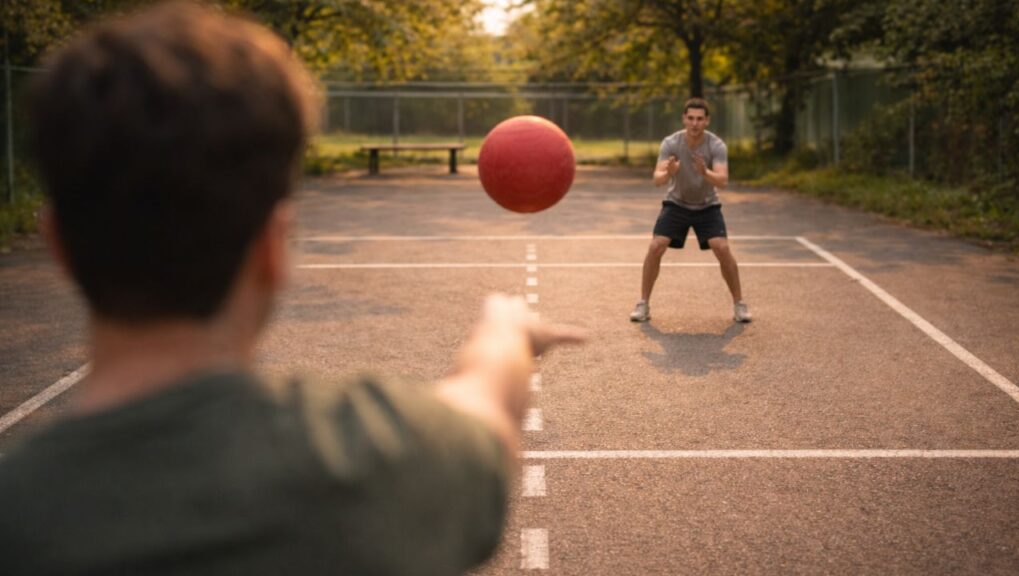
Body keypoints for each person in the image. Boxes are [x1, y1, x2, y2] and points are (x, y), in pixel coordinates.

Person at [0, 3, 583, 575]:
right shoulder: (383, 460)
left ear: (59, 246)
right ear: (273, 248)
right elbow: (486, 404)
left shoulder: (19, 513)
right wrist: (507, 332)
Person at [629, 98, 752, 324]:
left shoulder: (716, 145)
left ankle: (739, 304)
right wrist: (670, 172)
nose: (695, 123)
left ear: (707, 121)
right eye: (691, 118)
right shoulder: (671, 143)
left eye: (700, 119)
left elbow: (723, 181)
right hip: (677, 203)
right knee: (656, 246)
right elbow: (657, 179)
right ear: (684, 119)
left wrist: (705, 172)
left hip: (707, 205)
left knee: (722, 247)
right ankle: (643, 304)